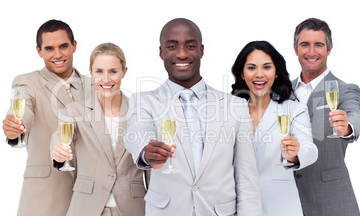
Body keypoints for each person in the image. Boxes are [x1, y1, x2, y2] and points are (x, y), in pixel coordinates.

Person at [124, 18, 262, 215]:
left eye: (190, 46)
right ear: (162, 52)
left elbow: (247, 176)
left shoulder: (236, 106)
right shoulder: (143, 101)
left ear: (201, 51)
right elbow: (137, 132)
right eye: (172, 46)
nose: (181, 54)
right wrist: (146, 152)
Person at [1, 19, 91, 215]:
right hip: (44, 198)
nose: (57, 55)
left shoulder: (95, 85)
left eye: (63, 46)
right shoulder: (27, 82)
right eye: (49, 48)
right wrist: (15, 126)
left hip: (89, 199)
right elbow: (23, 109)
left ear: (74, 46)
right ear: (39, 51)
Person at [51, 42, 149, 216]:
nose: (106, 79)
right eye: (99, 72)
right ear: (90, 72)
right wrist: (57, 149)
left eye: (113, 71)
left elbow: (150, 164)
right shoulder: (75, 111)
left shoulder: (140, 111)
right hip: (86, 208)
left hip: (132, 208)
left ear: (124, 72)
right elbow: (60, 135)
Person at [231, 40, 318, 216]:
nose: (259, 74)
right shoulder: (229, 111)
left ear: (276, 72)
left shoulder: (293, 109)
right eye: (251, 68)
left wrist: (294, 154)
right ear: (242, 73)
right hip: (237, 205)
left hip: (281, 206)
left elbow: (310, 149)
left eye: (267, 67)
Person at [292, 18, 360, 216]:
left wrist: (347, 127)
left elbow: (355, 116)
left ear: (329, 49)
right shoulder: (281, 91)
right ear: (295, 49)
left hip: (332, 202)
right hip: (287, 201)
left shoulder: (345, 89)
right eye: (305, 45)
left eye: (319, 45)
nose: (312, 52)